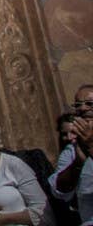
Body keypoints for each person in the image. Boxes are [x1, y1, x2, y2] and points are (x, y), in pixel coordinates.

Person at [50, 85, 93, 226]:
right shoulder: (73, 149)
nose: (82, 108)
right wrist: (77, 163)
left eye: (89, 104)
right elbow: (59, 191)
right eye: (78, 105)